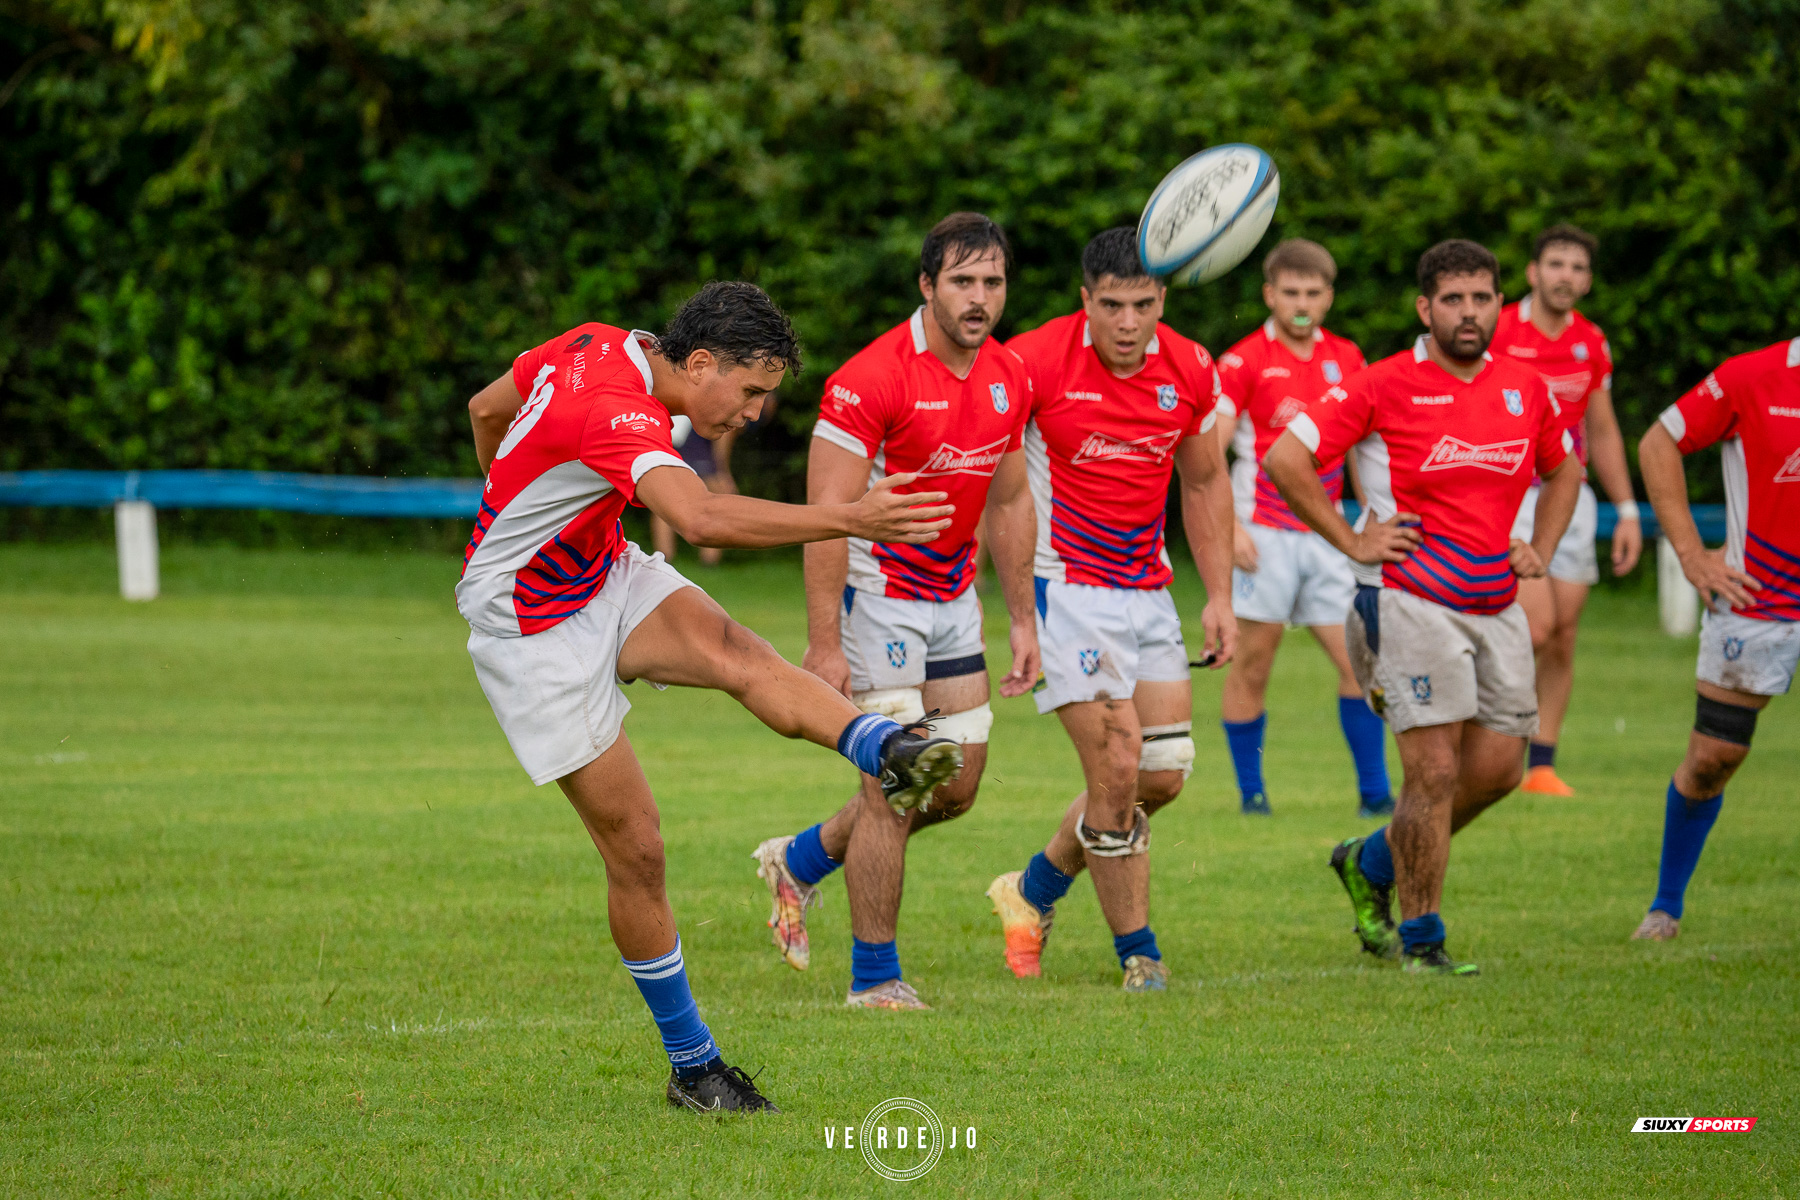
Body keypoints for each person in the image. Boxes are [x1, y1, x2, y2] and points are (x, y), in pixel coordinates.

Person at [461, 281, 965, 1112]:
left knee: (738, 651)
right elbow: (701, 520)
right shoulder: (620, 409)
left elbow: (487, 409)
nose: (757, 412)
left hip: (594, 569)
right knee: (640, 850)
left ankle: (888, 748)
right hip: (527, 625)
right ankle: (693, 1067)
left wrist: (523, 499)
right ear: (699, 364)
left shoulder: (596, 339)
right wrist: (849, 518)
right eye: (752, 391)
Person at [1263, 239, 1582, 976]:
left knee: (1499, 771)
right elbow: (1287, 457)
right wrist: (1351, 538)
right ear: (1424, 308)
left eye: (1481, 298)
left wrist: (1541, 541)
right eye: (1453, 300)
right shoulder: (1383, 383)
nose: (1468, 313)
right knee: (1433, 772)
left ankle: (1370, 860)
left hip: (1496, 602)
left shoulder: (1525, 387)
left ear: (1501, 303)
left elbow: (1563, 468)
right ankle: (1422, 942)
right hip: (1405, 599)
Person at [750, 214, 1040, 1010]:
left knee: (954, 786)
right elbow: (826, 514)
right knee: (893, 785)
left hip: (952, 597)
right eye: (962, 282)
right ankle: (874, 977)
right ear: (926, 286)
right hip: (874, 597)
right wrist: (823, 642)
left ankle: (802, 860)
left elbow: (1011, 500)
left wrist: (1023, 617)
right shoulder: (870, 377)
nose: (980, 299)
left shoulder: (1009, 375)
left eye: (993, 282)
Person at [983, 226, 1236, 991]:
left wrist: (1220, 595)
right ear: (1084, 300)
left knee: (1160, 775)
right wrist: (1021, 614)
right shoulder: (1029, 361)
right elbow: (999, 488)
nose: (1129, 324)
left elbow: (1202, 483)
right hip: (1066, 589)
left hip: (1149, 591)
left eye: (1145, 305)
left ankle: (1031, 890)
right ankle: (1140, 953)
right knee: (1118, 762)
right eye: (1113, 306)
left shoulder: (1190, 365)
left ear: (1165, 298)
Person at [1214, 238, 1392, 818]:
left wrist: (1372, 516)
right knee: (1254, 663)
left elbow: (1365, 446)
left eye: (1313, 293)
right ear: (1269, 294)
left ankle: (1374, 794)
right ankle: (1252, 795)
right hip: (1262, 534)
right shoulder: (1242, 361)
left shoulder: (1349, 357)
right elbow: (1210, 454)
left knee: (1358, 663)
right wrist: (1231, 527)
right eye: (1290, 292)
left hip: (1329, 533)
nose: (1301, 303)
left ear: (1329, 297)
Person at [1629, 337, 1799, 941]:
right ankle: (1665, 906)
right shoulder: (1754, 377)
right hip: (1760, 599)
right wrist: (1691, 555)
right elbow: (1658, 442)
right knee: (1712, 760)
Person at [1492, 224, 1644, 795]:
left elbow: (1600, 429)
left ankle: (1542, 767)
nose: (1567, 276)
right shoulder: (1497, 327)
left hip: (1570, 494)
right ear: (1533, 272)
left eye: (1578, 268)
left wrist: (1626, 508)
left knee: (1563, 636)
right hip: (1507, 493)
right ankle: (1485, 737)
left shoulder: (1591, 341)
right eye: (1556, 264)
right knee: (1534, 626)